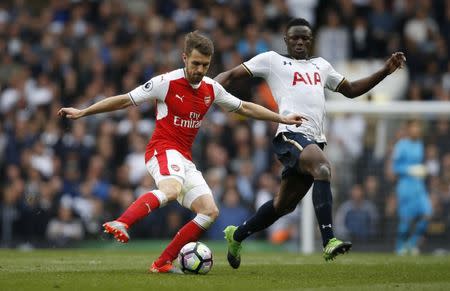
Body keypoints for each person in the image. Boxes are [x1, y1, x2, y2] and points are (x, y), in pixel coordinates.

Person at [58, 31, 305, 274]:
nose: (200, 69)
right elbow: (124, 100)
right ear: (184, 57)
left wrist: (281, 117)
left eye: (205, 65)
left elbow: (245, 108)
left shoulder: (211, 88)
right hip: (162, 150)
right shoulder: (165, 83)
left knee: (209, 212)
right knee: (171, 190)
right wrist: (83, 112)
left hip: (184, 158)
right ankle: (121, 222)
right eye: (195, 63)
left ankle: (162, 262)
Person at [214, 18, 406, 267]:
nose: (300, 42)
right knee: (323, 168)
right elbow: (230, 74)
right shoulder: (272, 60)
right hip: (290, 134)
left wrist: (385, 71)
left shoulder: (321, 66)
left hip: (315, 140)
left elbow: (350, 89)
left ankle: (236, 235)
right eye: (295, 37)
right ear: (286, 39)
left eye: (305, 38)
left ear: (311, 41)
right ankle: (329, 240)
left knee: (283, 206)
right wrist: (207, 89)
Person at [391, 120, 432, 255]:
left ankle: (412, 243)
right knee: (406, 220)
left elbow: (420, 164)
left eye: (418, 127)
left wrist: (423, 169)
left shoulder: (420, 144)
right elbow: (395, 168)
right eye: (414, 127)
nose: (417, 130)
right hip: (405, 186)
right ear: (409, 129)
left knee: (427, 213)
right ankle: (400, 247)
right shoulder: (401, 145)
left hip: (419, 186)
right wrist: (410, 170)